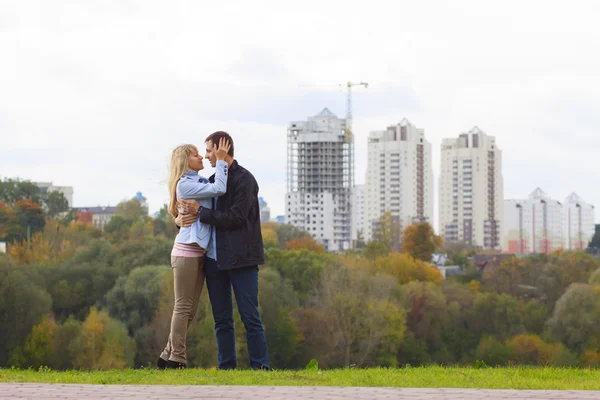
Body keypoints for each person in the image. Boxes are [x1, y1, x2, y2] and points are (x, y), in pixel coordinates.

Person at [176, 131, 270, 370]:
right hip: (214, 261)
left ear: (222, 149)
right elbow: (188, 206)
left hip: (241, 260)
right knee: (222, 320)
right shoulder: (211, 180)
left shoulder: (244, 180)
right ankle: (226, 367)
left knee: (250, 318)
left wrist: (200, 212)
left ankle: (261, 367)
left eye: (209, 151)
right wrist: (180, 218)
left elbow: (236, 218)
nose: (206, 156)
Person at [157, 138, 231, 370]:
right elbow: (219, 188)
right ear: (185, 161)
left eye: (201, 154)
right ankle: (177, 358)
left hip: (198, 253)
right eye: (195, 154)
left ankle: (167, 354)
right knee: (183, 307)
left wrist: (178, 219)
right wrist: (220, 161)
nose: (201, 157)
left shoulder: (196, 181)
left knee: (190, 310)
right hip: (186, 253)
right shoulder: (185, 184)